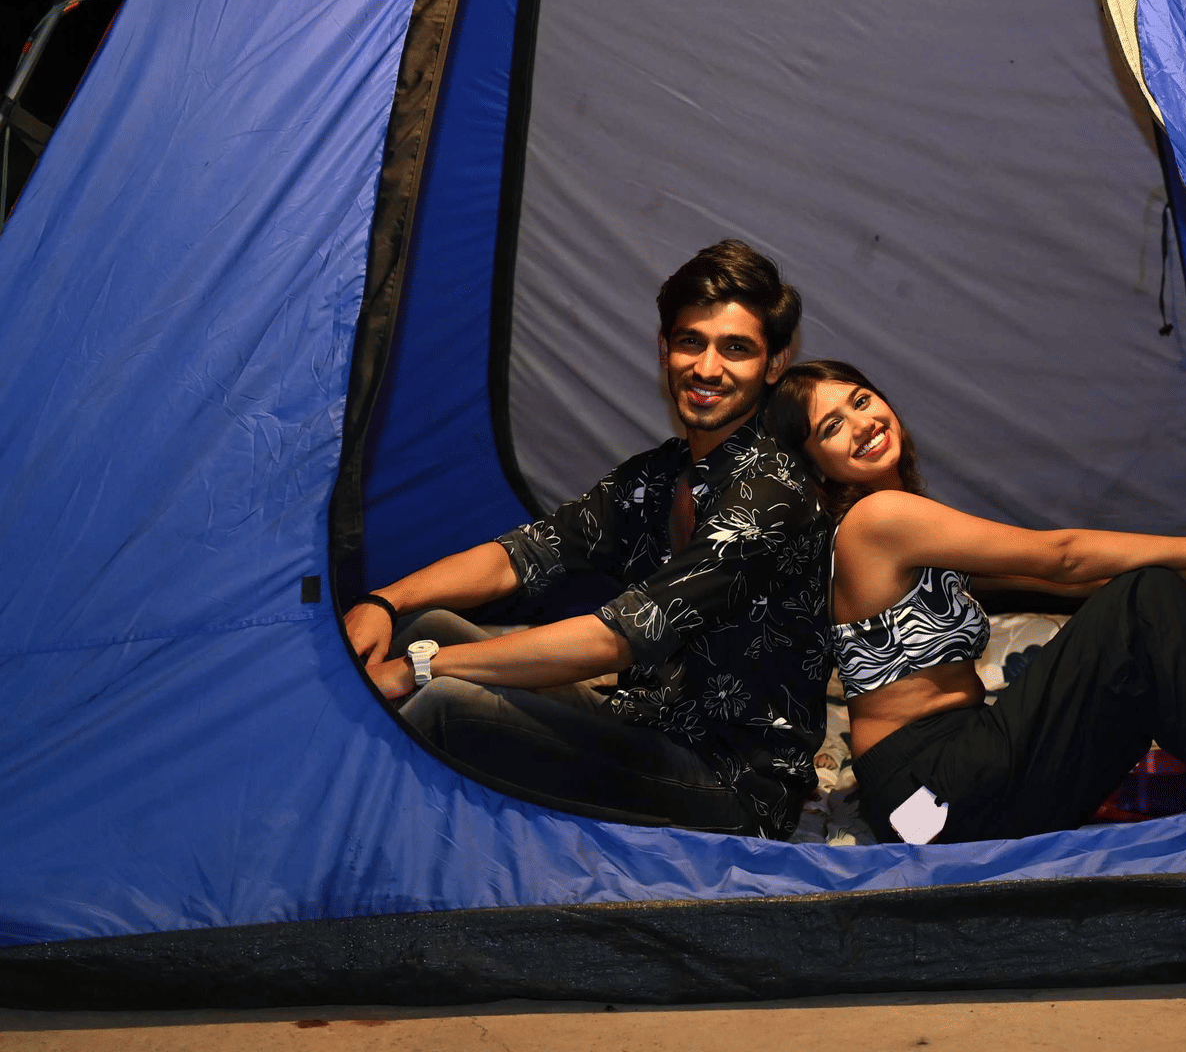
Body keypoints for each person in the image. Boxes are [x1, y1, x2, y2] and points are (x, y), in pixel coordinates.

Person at [344, 241, 832, 839]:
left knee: (447, 700)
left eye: (736, 349)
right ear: (664, 348)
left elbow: (616, 640)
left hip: (730, 784)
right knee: (426, 626)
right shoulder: (659, 474)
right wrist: (384, 600)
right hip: (645, 720)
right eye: (691, 342)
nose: (707, 368)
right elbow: (521, 555)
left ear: (775, 364)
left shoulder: (771, 494)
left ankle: (343, 844)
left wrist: (422, 670)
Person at [769, 359, 1186, 845]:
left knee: (1149, 604)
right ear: (814, 465)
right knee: (1143, 601)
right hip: (929, 788)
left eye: (861, 400)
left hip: (954, 771)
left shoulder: (899, 524)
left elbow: (1057, 581)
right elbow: (1061, 557)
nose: (862, 424)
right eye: (832, 427)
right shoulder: (877, 518)